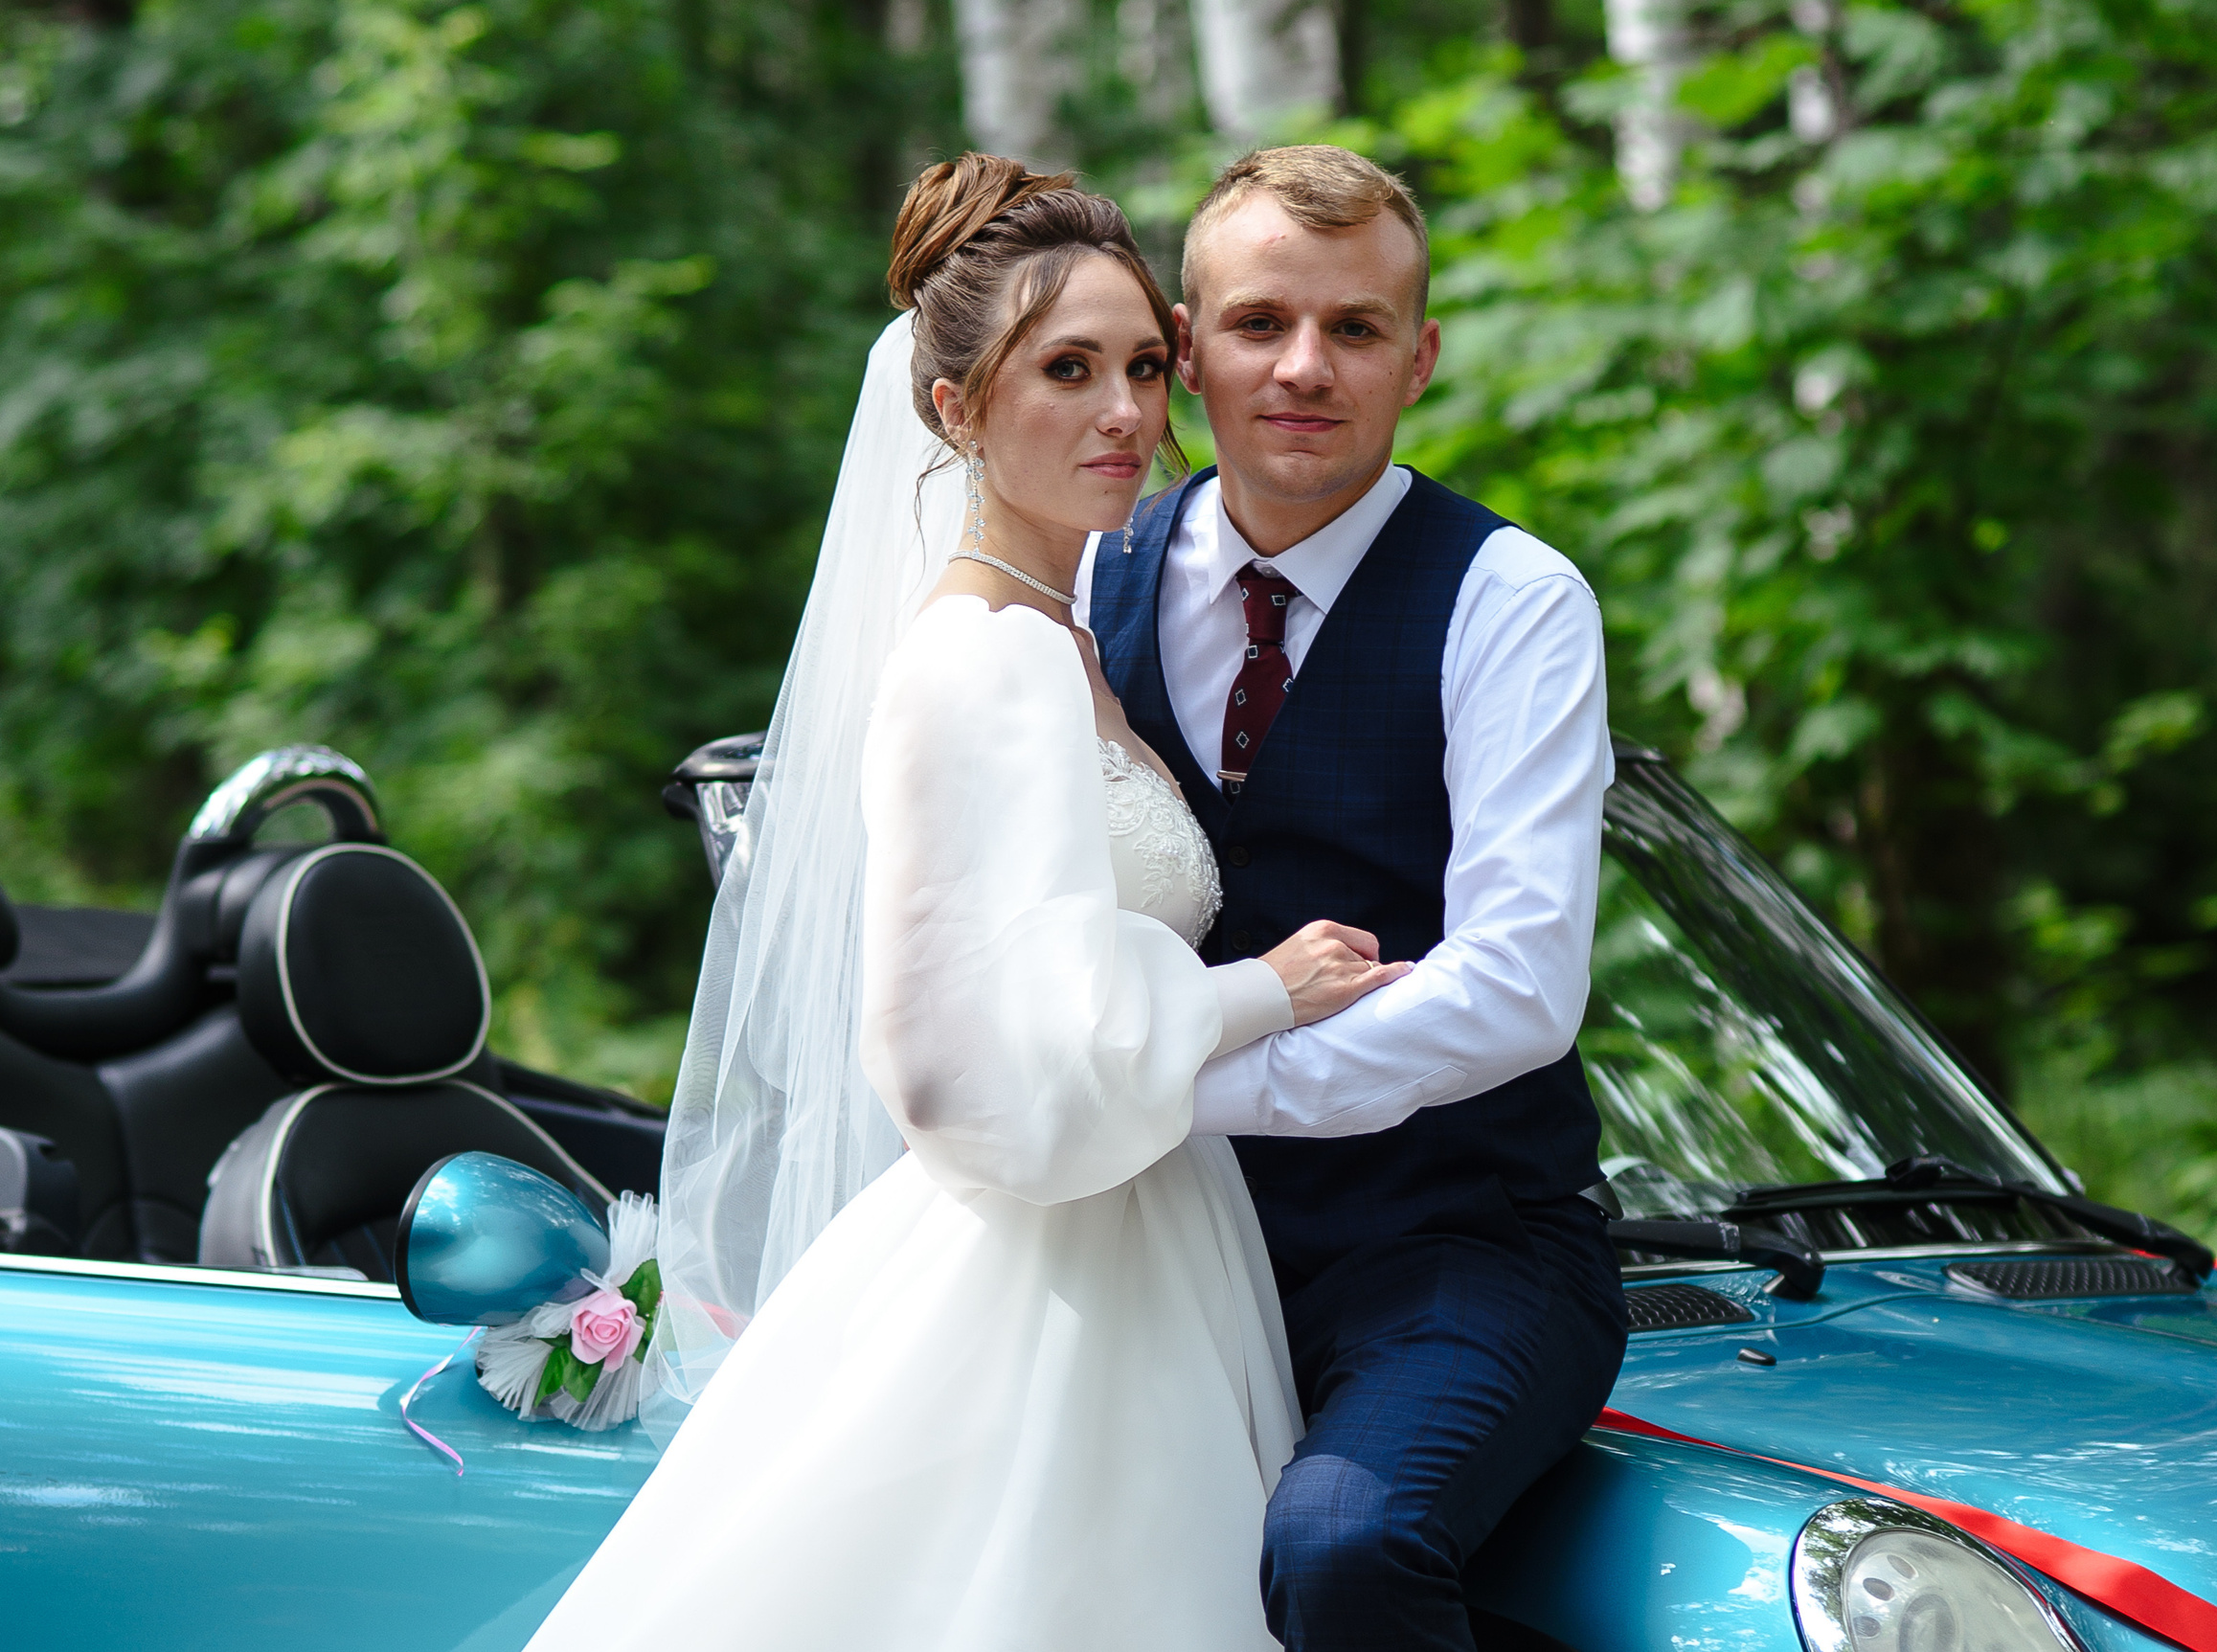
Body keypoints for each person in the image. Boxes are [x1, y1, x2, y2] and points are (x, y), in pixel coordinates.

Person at [524, 155, 1406, 1650]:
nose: (1127, 413)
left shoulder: (1064, 645)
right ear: (954, 408)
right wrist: (1267, 987)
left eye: (1142, 364)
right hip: (1042, 1283)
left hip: (1154, 1241)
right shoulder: (977, 662)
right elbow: (958, 1066)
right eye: (1066, 369)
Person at [1076, 145, 1626, 1652]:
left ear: (1421, 356)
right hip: (1143, 1243)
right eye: (1260, 324)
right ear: (1187, 349)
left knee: (1345, 1541)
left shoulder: (1512, 599)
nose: (1305, 368)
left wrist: (1186, 1092)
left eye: (1357, 328)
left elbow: (1515, 987)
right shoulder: (1078, 584)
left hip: (1458, 1249)